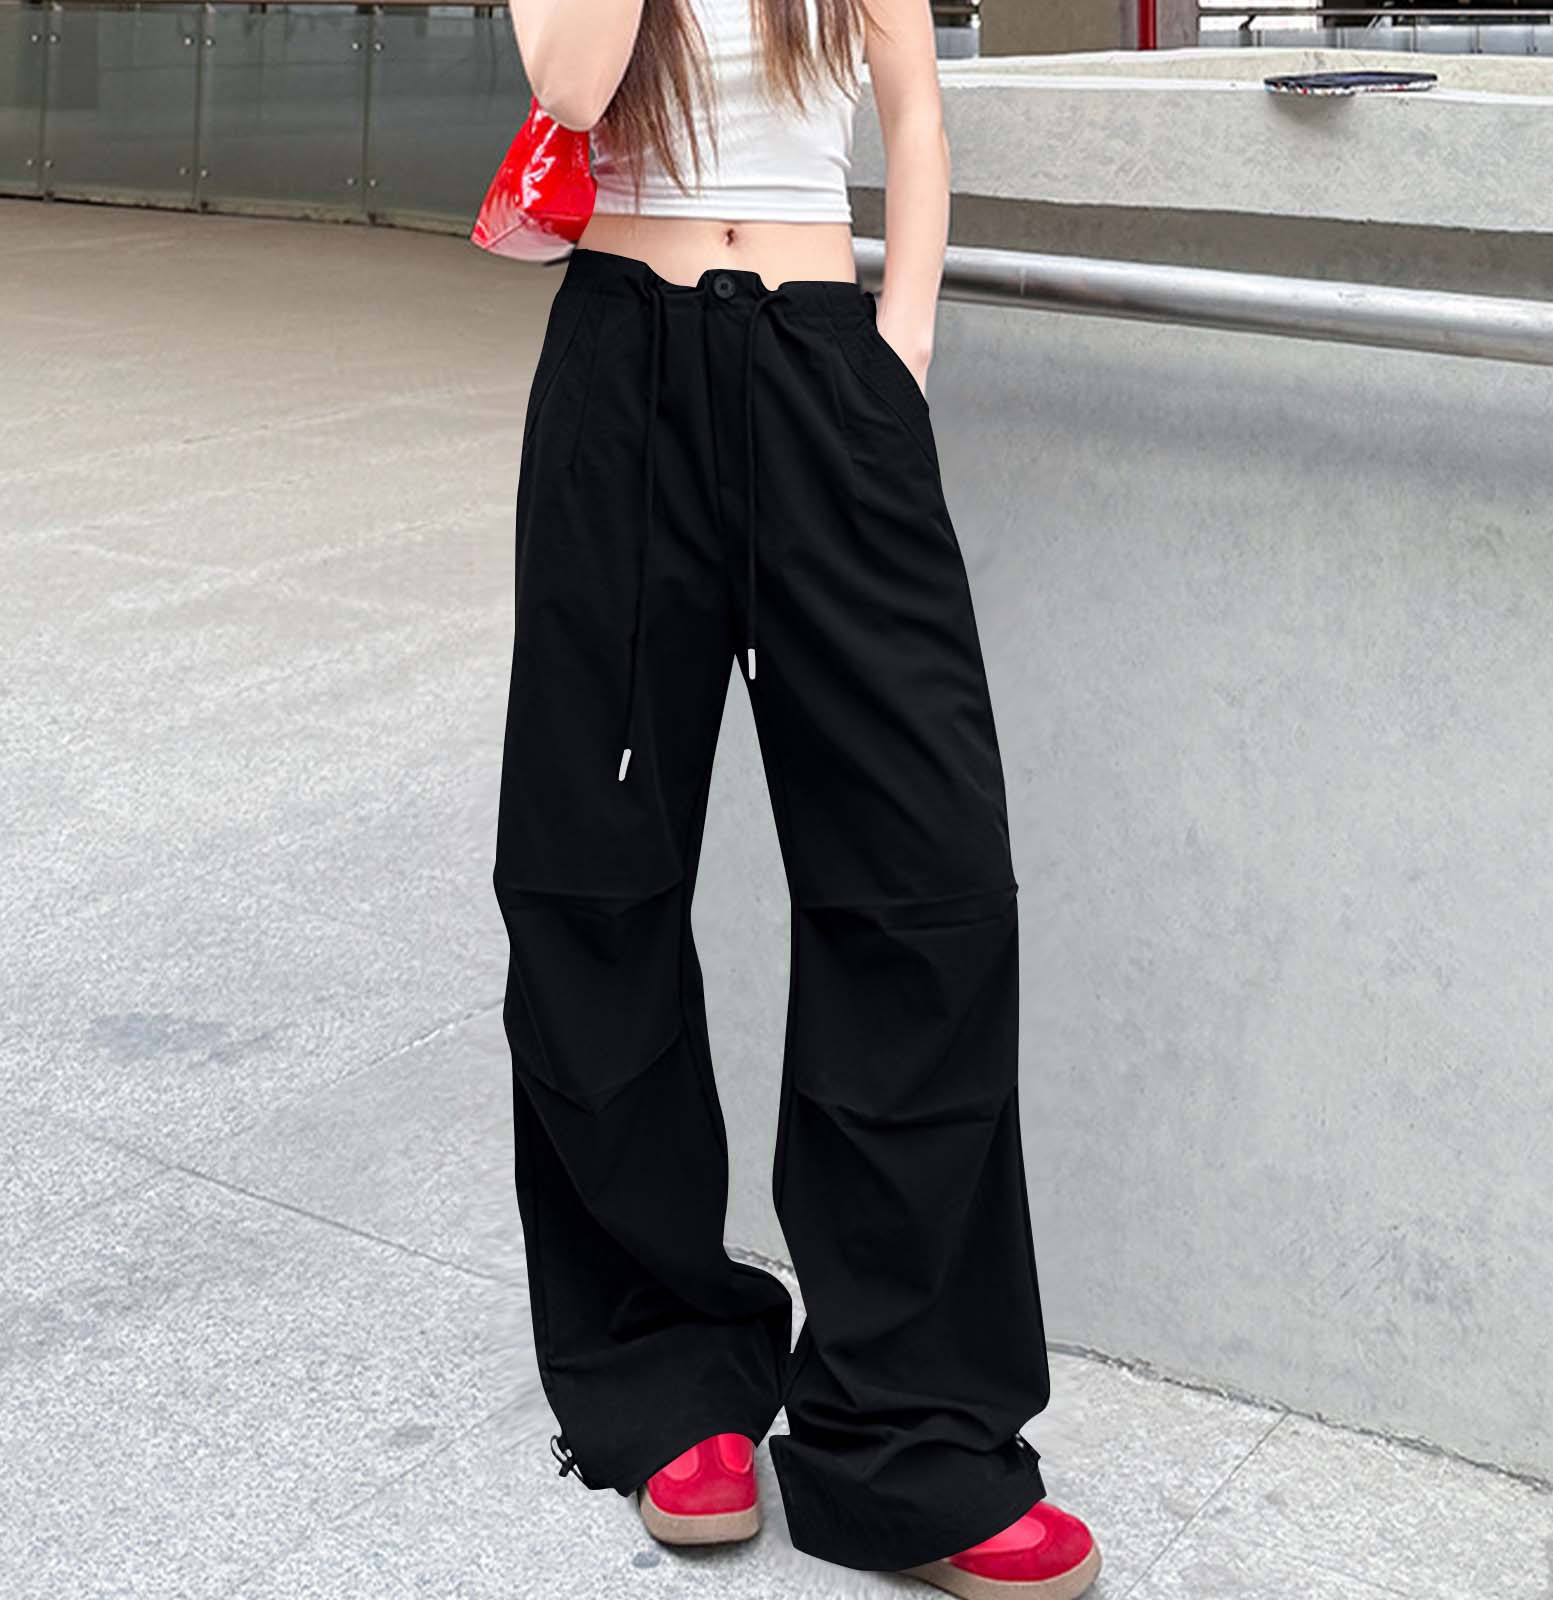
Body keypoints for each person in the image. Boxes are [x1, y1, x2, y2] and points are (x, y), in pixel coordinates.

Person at [496, 0, 1102, 1592]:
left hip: (829, 373)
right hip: (623, 369)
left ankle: (911, 1433)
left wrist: (900, 348)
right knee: (593, 880)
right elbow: (574, 83)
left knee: (928, 880)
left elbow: (915, 109)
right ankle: (665, 1366)